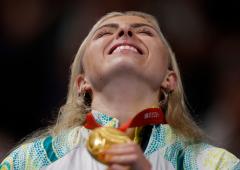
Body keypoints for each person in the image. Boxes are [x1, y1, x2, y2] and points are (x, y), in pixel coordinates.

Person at [0, 11, 239, 170]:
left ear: (170, 79)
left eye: (145, 32)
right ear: (82, 82)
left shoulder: (215, 164)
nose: (125, 32)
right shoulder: (28, 162)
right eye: (105, 33)